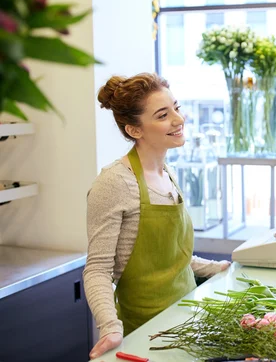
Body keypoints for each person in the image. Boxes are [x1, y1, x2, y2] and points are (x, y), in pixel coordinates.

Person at [83, 73, 230, 359]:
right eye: (163, 115)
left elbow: (172, 257)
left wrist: (217, 268)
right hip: (148, 332)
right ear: (135, 130)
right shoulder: (115, 182)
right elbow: (98, 269)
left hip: (189, 317)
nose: (179, 119)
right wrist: (110, 327)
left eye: (176, 107)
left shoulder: (167, 174)